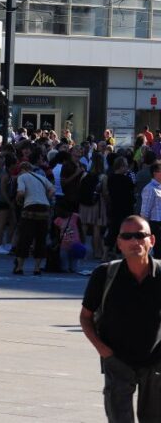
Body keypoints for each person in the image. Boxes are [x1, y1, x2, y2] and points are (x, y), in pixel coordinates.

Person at [80, 215, 161, 422]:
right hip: (117, 361)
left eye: (140, 235)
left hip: (155, 363)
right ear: (119, 242)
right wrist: (104, 351)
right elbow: (86, 317)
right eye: (127, 236)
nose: (134, 241)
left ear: (151, 240)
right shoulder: (104, 274)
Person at [14, 161, 55, 275]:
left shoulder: (22, 177)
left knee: (25, 239)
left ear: (22, 170)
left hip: (30, 208)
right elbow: (52, 190)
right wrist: (45, 198)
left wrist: (18, 200)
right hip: (44, 209)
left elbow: (21, 192)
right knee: (41, 239)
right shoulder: (41, 177)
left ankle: (19, 267)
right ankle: (37, 268)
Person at [140, 160, 161, 258]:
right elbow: (145, 212)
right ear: (155, 173)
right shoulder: (149, 188)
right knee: (158, 253)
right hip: (155, 224)